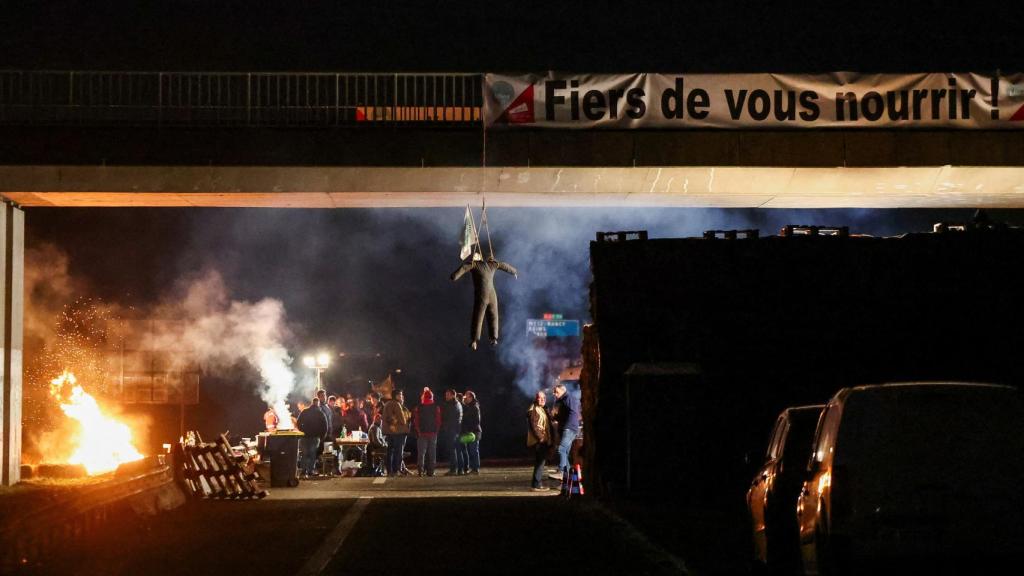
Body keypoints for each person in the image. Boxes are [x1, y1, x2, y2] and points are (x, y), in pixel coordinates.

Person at [450, 248, 518, 350]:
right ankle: (493, 338)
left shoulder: (474, 264)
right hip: (492, 295)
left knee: (478, 316)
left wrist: (454, 276)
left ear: (479, 258)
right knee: (493, 315)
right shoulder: (493, 264)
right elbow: (504, 265)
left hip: (482, 295)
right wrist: (514, 272)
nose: (473, 256)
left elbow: (464, 268)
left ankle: (475, 340)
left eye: (475, 256)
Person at [551, 383, 581, 478]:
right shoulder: (563, 400)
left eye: (556, 392)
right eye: (554, 392)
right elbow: (564, 416)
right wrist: (555, 417)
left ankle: (561, 470)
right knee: (566, 453)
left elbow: (573, 413)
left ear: (563, 390)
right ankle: (567, 477)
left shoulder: (569, 398)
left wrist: (567, 426)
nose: (554, 394)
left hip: (569, 429)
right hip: (567, 428)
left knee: (561, 450)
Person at [413, 387, 442, 476]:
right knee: (432, 453)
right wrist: (436, 430)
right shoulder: (436, 407)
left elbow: (416, 421)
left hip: (422, 433)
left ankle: (420, 471)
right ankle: (431, 471)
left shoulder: (419, 407)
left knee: (421, 453)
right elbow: (438, 421)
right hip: (433, 433)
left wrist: (418, 430)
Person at [527, 390, 553, 491]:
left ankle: (536, 484)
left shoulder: (543, 409)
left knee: (540, 462)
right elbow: (534, 426)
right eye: (540, 398)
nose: (542, 400)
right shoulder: (533, 410)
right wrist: (540, 438)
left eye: (544, 398)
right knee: (540, 462)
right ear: (536, 398)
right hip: (539, 441)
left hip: (544, 439)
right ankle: (536, 485)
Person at [297, 397, 328, 479]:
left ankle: (303, 471)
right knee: (312, 454)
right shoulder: (321, 413)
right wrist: (322, 437)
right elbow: (325, 427)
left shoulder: (305, 411)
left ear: (312, 403)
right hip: (315, 437)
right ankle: (310, 471)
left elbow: (298, 422)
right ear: (317, 404)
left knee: (304, 454)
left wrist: (302, 430)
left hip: (304, 436)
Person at [382, 389, 411, 476]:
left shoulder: (387, 404)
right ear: (396, 396)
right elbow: (402, 420)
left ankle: (389, 471)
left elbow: (386, 418)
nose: (402, 396)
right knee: (398, 452)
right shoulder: (397, 404)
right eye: (400, 395)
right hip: (398, 432)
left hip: (389, 432)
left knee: (390, 451)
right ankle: (396, 470)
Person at [441, 388, 464, 476]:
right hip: (457, 430)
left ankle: (453, 469)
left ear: (453, 395)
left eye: (448, 395)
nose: (446, 396)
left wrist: (445, 427)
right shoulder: (458, 404)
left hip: (452, 430)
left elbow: (449, 418)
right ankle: (460, 470)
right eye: (446, 394)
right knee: (458, 450)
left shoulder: (452, 404)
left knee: (453, 450)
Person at [461, 390, 482, 474]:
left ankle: (475, 468)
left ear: (471, 397)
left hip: (474, 432)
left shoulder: (474, 407)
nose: (465, 398)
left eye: (467, 396)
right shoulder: (469, 406)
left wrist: (470, 430)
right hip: (471, 432)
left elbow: (477, 421)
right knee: (471, 450)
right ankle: (473, 468)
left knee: (474, 450)